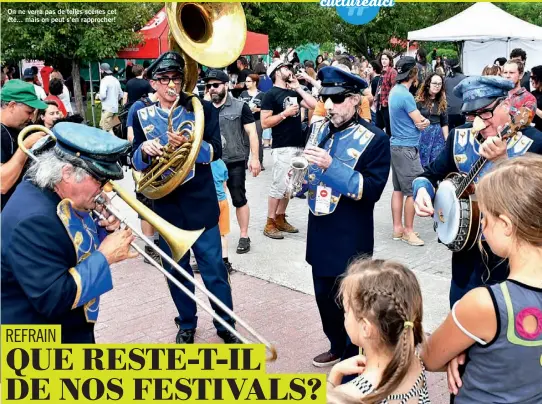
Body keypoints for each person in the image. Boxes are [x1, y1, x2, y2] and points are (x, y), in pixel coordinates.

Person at [129, 51, 241, 344]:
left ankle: (226, 324)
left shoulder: (201, 108)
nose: (171, 85)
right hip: (166, 207)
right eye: (164, 79)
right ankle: (187, 323)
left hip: (200, 204)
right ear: (153, 83)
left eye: (175, 78)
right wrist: (145, 151)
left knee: (214, 270)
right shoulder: (141, 114)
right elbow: (134, 159)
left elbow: (217, 150)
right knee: (176, 273)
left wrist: (192, 143)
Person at [421, 155, 542, 403]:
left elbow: (430, 358)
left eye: (485, 217)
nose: (482, 226)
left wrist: (462, 347)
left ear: (506, 225)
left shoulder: (483, 304)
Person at [413, 75, 542, 307]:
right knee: (460, 311)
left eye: (485, 113)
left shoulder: (534, 143)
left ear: (506, 105)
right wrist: (422, 190)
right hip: (466, 257)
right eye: (471, 116)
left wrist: (503, 160)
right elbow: (429, 174)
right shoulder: (459, 137)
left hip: (512, 258)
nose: (479, 124)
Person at [1, 122, 137, 343]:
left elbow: (68, 245)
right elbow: (54, 298)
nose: (103, 188)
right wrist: (105, 257)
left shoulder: (47, 190)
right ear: (67, 173)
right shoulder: (33, 220)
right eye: (99, 179)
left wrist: (101, 229)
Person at [303, 66, 391, 367]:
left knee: (354, 303)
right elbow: (308, 174)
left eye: (337, 99)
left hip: (351, 233)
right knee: (323, 298)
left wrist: (331, 166)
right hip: (320, 227)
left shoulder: (375, 138)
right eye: (324, 98)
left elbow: (371, 190)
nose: (328, 106)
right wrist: (299, 178)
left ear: (355, 100)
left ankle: (356, 358)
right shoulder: (318, 129)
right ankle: (336, 344)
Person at [327, 259, 429, 403]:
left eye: (346, 310)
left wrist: (333, 378)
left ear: (365, 328)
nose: (344, 314)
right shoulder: (413, 360)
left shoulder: (349, 395)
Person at [204, 69, 261, 255]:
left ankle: (244, 236)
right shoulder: (203, 108)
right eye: (208, 86)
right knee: (213, 202)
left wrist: (255, 158)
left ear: (226, 86)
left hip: (235, 160)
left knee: (239, 199)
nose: (211, 89)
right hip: (212, 162)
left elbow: (252, 132)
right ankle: (217, 240)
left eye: (215, 85)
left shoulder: (240, 106)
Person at [261, 60, 317, 239]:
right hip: (282, 146)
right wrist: (284, 114)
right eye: (285, 68)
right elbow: (264, 123)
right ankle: (269, 222)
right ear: (277, 72)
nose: (289, 70)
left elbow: (314, 105)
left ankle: (280, 217)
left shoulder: (293, 91)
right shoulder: (270, 95)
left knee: (291, 187)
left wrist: (299, 87)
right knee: (279, 185)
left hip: (298, 144)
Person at [388, 57, 428, 247]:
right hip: (407, 147)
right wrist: (425, 122)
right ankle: (408, 231)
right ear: (413, 73)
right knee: (413, 190)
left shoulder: (394, 91)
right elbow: (419, 121)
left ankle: (398, 228)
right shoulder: (405, 95)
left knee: (397, 189)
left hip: (396, 144)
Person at [1, 80, 48, 211]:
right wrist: (26, 146)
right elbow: (2, 184)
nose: (32, 117)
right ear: (12, 106)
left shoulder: (17, 128)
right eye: (29, 111)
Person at [416, 73, 449, 167]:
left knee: (436, 162)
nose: (437, 86)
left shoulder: (442, 102)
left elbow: (444, 122)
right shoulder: (419, 101)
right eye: (434, 83)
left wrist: (447, 140)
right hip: (422, 135)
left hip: (437, 136)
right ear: (428, 84)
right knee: (421, 162)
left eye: (439, 84)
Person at [211, 158, 234, 274]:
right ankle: (225, 261)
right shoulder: (221, 163)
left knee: (208, 233)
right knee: (223, 233)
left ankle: (210, 261)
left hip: (209, 201)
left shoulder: (202, 163)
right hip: (222, 201)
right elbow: (224, 186)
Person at [240, 73, 266, 170]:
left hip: (257, 120)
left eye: (248, 81)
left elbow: (265, 109)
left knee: (257, 140)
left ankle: (259, 161)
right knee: (245, 142)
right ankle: (244, 162)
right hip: (245, 121)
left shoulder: (262, 95)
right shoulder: (243, 94)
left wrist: (257, 110)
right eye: (246, 81)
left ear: (255, 82)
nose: (246, 83)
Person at [98, 63, 123, 133]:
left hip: (107, 109)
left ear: (102, 71)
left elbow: (103, 95)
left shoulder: (104, 81)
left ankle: (114, 143)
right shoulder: (116, 80)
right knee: (109, 127)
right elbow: (121, 94)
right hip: (115, 109)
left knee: (107, 130)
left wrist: (98, 96)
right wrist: (115, 100)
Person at [445, 59, 467, 131]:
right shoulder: (464, 78)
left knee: (450, 132)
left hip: (449, 111)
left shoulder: (446, 79)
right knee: (461, 133)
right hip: (461, 110)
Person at [530, 65, 542, 131]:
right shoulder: (533, 93)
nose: (531, 80)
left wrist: (533, 107)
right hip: (534, 129)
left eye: (533, 77)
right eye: (530, 77)